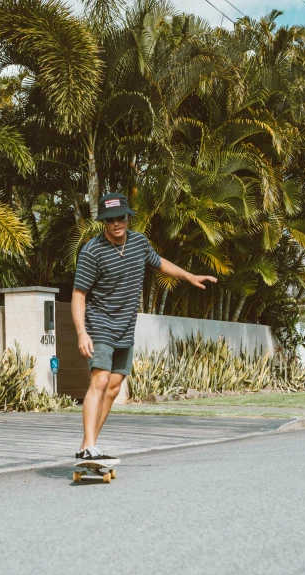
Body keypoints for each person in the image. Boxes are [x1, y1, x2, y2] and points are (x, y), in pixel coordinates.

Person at [71, 192, 217, 462]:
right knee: (100, 380)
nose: (116, 224)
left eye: (121, 218)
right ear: (103, 221)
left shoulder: (138, 242)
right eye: (110, 219)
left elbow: (159, 263)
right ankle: (90, 446)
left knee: (114, 387)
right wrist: (82, 332)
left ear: (127, 217)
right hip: (100, 323)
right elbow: (79, 294)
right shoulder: (92, 251)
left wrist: (188, 275)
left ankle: (86, 446)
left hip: (126, 326)